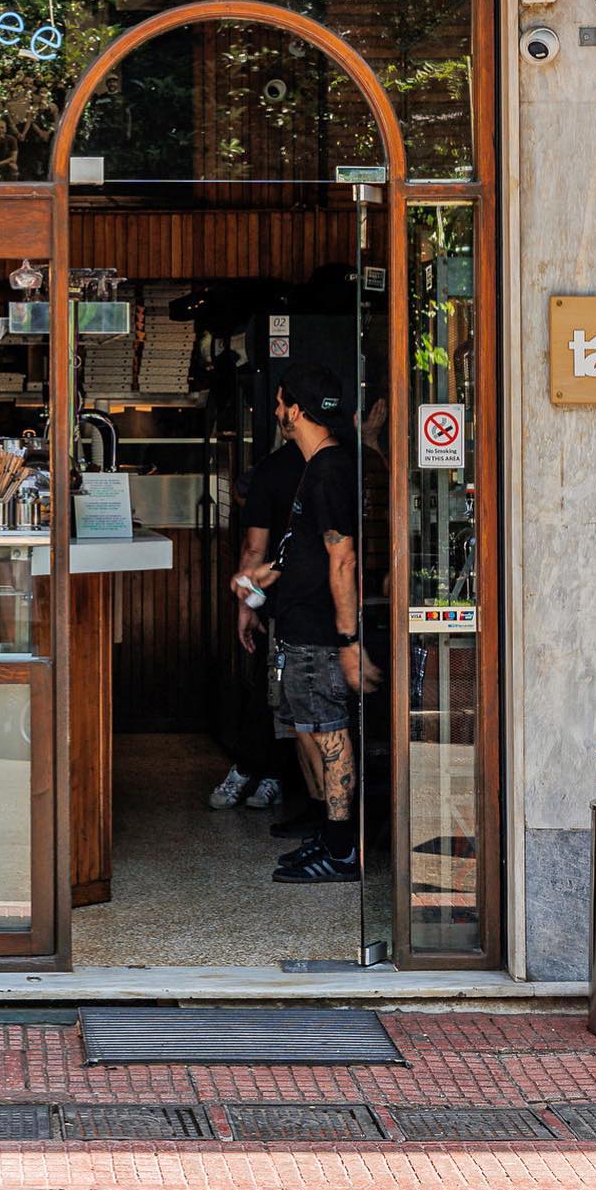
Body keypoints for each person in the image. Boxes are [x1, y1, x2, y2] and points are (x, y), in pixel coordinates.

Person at [236, 361, 380, 885]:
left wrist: (348, 641)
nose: (276, 411)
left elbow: (342, 559)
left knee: (331, 738)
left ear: (295, 411)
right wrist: (263, 578)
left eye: (280, 403)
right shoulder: (317, 466)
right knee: (314, 734)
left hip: (322, 634)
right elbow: (308, 552)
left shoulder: (330, 470)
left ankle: (341, 852)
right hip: (302, 627)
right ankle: (329, 835)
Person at [209, 437, 303, 813]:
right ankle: (271, 777)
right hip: (319, 602)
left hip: (280, 602)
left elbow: (253, 549)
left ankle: (253, 771)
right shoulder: (340, 459)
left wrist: (246, 603)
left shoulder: (274, 469)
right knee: (289, 696)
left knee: (273, 692)